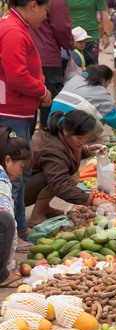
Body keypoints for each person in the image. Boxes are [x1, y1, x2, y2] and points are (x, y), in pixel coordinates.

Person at [0, 0, 52, 240]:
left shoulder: (17, 26)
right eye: (45, 9)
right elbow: (17, 76)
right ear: (33, 5)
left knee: (18, 172)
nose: (45, 15)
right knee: (15, 174)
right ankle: (17, 231)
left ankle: (18, 228)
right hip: (12, 112)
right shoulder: (12, 30)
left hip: (18, 110)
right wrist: (42, 91)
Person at [24, 110, 107, 228]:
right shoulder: (52, 149)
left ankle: (44, 208)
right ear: (65, 131)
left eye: (86, 137)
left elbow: (67, 155)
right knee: (64, 177)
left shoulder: (60, 136)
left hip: (30, 180)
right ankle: (37, 216)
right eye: (79, 137)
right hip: (20, 191)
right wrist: (90, 200)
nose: (83, 141)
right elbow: (60, 185)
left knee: (66, 173)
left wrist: (88, 150)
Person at [49, 65, 116, 135]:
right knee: (98, 127)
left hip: (52, 121)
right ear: (104, 80)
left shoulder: (76, 79)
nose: (107, 86)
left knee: (91, 116)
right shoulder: (100, 93)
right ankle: (77, 146)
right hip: (66, 127)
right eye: (109, 83)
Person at [29, 0, 75, 130]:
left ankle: (26, 143)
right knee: (49, 107)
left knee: (29, 106)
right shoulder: (56, 2)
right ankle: (46, 140)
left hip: (27, 55)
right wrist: (70, 43)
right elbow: (62, 28)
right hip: (47, 57)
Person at [0, 127, 32, 288]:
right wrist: (8, 265)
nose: (20, 173)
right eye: (21, 167)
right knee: (5, 220)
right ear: (7, 160)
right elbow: (8, 226)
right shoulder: (2, 183)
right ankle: (1, 277)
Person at [66, 0, 110, 65]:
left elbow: (104, 13)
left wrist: (106, 34)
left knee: (92, 68)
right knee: (73, 67)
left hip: (91, 37)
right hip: (73, 38)